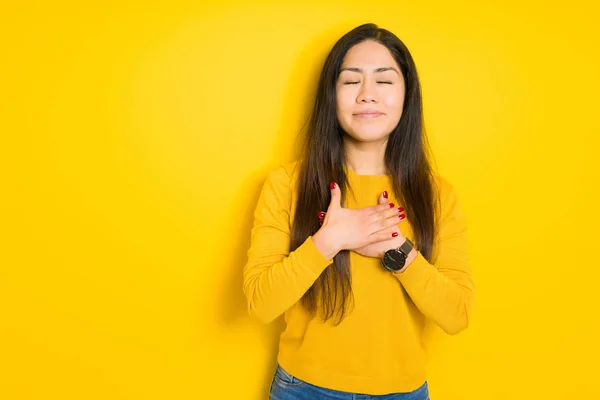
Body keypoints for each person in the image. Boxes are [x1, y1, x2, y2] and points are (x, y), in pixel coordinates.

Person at [243, 22, 474, 400]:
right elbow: (259, 304)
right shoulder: (286, 184)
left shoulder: (437, 195)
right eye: (351, 82)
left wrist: (398, 252)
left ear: (406, 95)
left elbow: (457, 315)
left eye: (384, 82)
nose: (367, 95)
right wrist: (329, 241)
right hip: (303, 389)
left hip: (403, 392)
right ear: (330, 96)